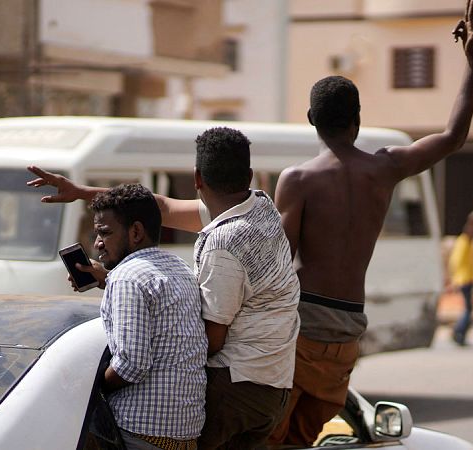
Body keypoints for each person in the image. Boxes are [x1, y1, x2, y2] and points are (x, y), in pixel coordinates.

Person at [268, 0, 473, 445]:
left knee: (269, 437)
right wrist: (471, 62)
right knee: (301, 439)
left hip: (303, 326)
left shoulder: (298, 179)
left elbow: (275, 262)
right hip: (349, 329)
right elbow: (453, 136)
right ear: (358, 118)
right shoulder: (384, 169)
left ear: (312, 120)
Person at [27, 127, 300, 449]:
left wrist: (140, 298)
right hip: (275, 384)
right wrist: (83, 192)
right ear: (250, 175)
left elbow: (209, 340)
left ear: (197, 179)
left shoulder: (224, 242)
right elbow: (159, 207)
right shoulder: (260, 208)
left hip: (235, 385)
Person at [88, 184, 207, 450]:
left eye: (104, 233)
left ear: (136, 232)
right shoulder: (180, 268)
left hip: (140, 431)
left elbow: (131, 364)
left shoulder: (126, 278)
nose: (97, 243)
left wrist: (90, 390)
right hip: (186, 432)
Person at [449, 197, 473, 346]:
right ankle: (459, 332)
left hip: (467, 279)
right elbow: (471, 223)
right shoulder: (463, 242)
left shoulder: (468, 244)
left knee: (469, 308)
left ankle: (460, 332)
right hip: (464, 280)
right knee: (468, 309)